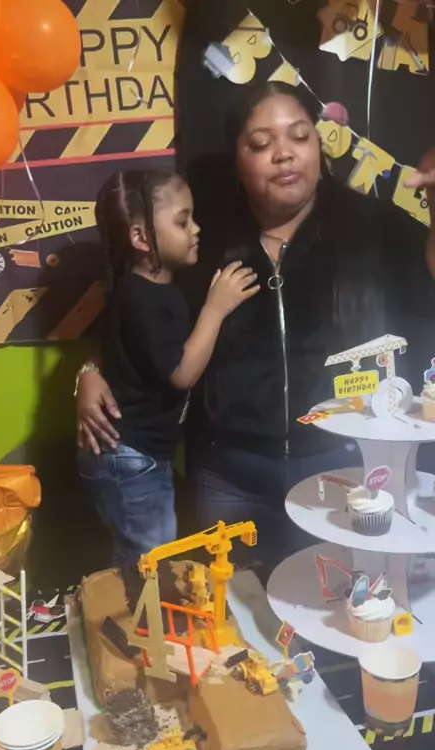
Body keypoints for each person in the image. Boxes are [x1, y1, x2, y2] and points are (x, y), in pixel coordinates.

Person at [77, 83, 435, 578]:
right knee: (236, 612)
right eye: (262, 144)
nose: (284, 154)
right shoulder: (197, 236)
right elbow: (139, 309)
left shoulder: (371, 225)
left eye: (300, 136)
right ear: (238, 161)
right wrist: (90, 369)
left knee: (338, 605)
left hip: (340, 470)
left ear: (319, 148)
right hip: (229, 478)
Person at [77, 168, 258, 569]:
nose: (196, 229)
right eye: (182, 221)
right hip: (131, 457)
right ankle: (136, 612)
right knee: (149, 563)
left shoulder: (152, 290)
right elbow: (181, 373)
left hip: (136, 456)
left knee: (145, 557)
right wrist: (216, 308)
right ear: (141, 237)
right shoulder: (139, 296)